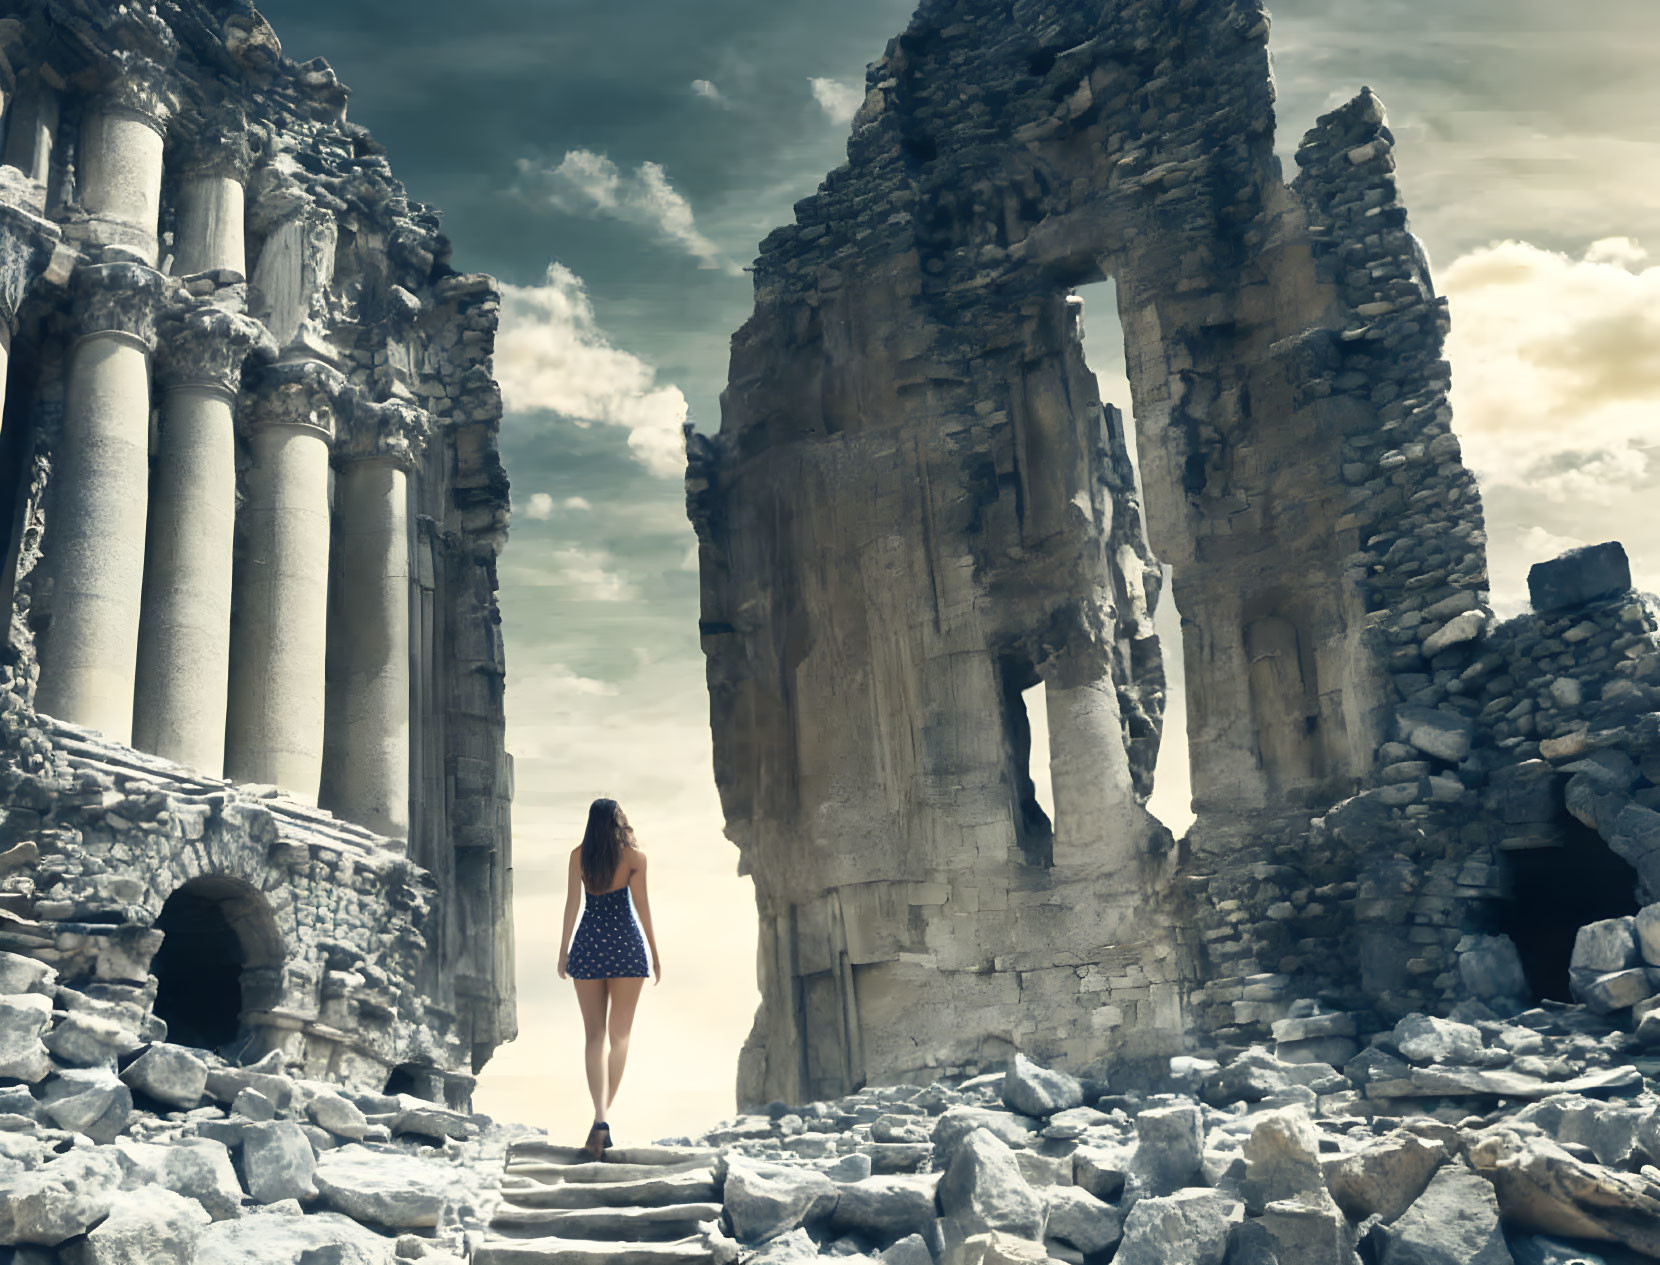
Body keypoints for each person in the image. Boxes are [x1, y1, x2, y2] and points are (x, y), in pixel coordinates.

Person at [557, 797, 662, 1159]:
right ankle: (602, 1120)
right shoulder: (635, 858)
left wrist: (563, 950)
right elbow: (642, 906)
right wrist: (655, 952)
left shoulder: (579, 856)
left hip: (588, 944)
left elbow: (573, 904)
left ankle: (599, 1118)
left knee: (594, 1036)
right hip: (626, 947)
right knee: (620, 1037)